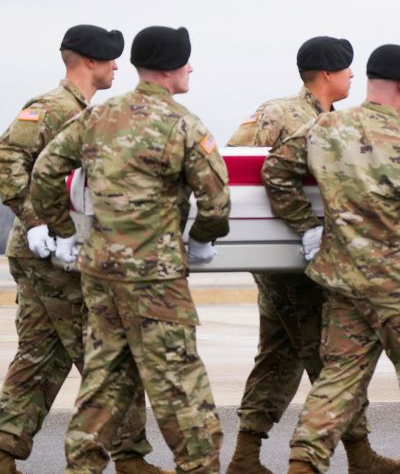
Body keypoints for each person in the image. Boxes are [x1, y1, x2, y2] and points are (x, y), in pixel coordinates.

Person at [30, 26, 229, 474]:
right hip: (156, 279)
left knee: (103, 381)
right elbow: (216, 200)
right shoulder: (183, 123)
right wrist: (200, 241)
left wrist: (62, 229)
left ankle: (82, 466)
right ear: (168, 68)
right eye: (186, 61)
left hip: (100, 273)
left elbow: (44, 172)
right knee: (181, 386)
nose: (191, 68)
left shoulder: (97, 117)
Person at [264, 44, 400, 474]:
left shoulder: (325, 128)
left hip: (342, 283)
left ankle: (303, 464)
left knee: (337, 383)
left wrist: (308, 228)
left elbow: (275, 172)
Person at [226, 36, 400, 474]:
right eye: (348, 69)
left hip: (310, 262)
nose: (353, 76)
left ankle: (245, 456)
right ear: (329, 74)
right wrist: (292, 229)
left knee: (278, 356)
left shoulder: (335, 120)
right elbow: (237, 171)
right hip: (286, 264)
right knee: (331, 359)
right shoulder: (277, 114)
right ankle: (357, 452)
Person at [0, 25, 165, 474]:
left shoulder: (80, 110)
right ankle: (131, 458)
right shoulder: (52, 109)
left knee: (38, 356)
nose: (117, 66)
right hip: (54, 257)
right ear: (89, 62)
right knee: (109, 355)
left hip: (50, 255)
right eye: (111, 58)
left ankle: (3, 451)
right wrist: (37, 223)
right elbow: (6, 162)